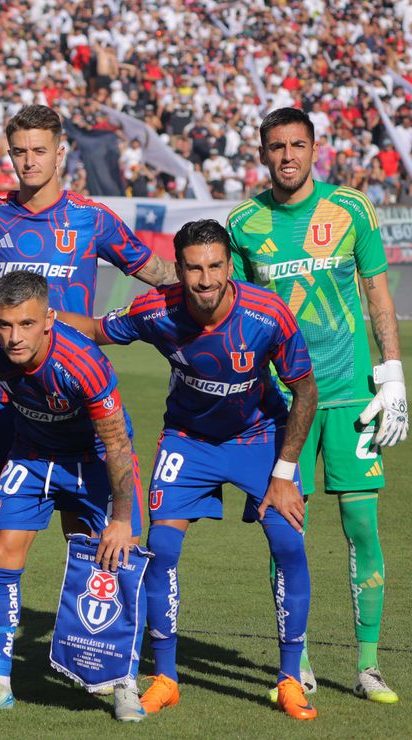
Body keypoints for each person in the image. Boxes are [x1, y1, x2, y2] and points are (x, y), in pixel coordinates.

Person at [0, 104, 175, 691]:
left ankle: (100, 656)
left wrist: (215, 287)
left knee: (85, 531)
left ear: (62, 153)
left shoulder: (91, 217)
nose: (28, 161)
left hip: (78, 397)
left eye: (39, 150)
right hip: (5, 400)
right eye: (19, 152)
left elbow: (155, 271)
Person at [60, 219, 320, 720]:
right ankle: (167, 677)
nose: (205, 280)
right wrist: (40, 317)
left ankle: (289, 678)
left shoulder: (268, 315)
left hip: (259, 437)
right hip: (188, 440)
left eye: (215, 266)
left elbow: (305, 390)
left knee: (288, 542)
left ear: (229, 266)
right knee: (162, 550)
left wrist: (284, 472)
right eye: (194, 268)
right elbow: (96, 330)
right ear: (177, 269)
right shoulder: (155, 309)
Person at [227, 107, 406, 704]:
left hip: (354, 393)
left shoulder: (351, 208)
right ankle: (294, 661)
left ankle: (368, 665)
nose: (287, 156)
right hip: (283, 402)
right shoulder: (244, 223)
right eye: (275, 146)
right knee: (287, 533)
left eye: (297, 144)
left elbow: (378, 293)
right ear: (262, 153)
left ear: (314, 148)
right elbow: (235, 313)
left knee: (361, 524)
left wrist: (393, 375)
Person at [0, 270, 144, 719]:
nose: (14, 337)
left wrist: (120, 519)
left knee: (117, 559)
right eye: (5, 324)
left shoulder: (83, 362)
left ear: (49, 321)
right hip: (32, 455)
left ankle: (123, 680)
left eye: (26, 325)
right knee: (2, 550)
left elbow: (117, 444)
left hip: (95, 458)